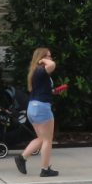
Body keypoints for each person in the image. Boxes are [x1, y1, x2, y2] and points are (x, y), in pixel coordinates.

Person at [14, 46, 59, 177]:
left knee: (41, 138)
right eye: (48, 55)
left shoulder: (35, 71)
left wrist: (52, 92)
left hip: (33, 107)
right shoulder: (41, 69)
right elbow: (53, 65)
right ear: (41, 58)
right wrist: (44, 61)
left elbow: (40, 89)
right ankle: (45, 169)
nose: (51, 58)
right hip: (42, 108)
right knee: (47, 140)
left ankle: (22, 158)